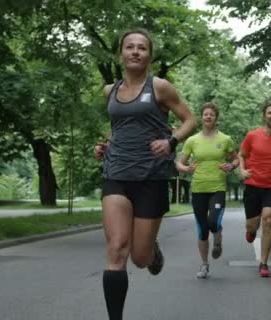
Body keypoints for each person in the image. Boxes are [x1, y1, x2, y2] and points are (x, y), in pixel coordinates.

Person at [94, 29, 196, 320]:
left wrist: (171, 141)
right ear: (121, 54)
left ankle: (152, 250)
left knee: (139, 257)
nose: (135, 51)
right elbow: (119, 128)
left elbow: (190, 120)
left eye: (141, 48)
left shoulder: (160, 87)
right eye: (129, 47)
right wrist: (105, 146)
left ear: (149, 56)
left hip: (151, 175)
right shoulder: (109, 91)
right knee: (116, 249)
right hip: (115, 173)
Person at [176, 102, 239, 279]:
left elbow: (236, 159)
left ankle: (218, 236)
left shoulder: (225, 139)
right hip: (198, 188)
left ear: (216, 118)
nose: (208, 117)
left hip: (217, 187)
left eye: (211, 114)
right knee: (202, 230)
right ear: (201, 117)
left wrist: (231, 165)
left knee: (213, 221)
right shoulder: (192, 140)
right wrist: (185, 168)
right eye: (205, 114)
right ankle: (204, 265)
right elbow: (179, 162)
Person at [238, 101, 271, 277]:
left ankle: (264, 263)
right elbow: (242, 155)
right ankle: (251, 231)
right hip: (253, 184)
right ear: (264, 115)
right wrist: (241, 170)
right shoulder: (252, 136)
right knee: (252, 225)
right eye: (270, 112)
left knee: (268, 220)